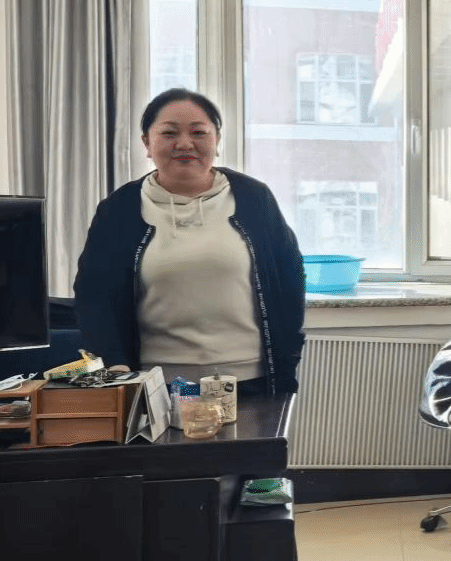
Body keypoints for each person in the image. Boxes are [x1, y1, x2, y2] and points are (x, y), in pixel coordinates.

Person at [74, 88, 306, 395]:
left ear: (216, 140)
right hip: (155, 386)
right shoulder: (119, 210)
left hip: (252, 380)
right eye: (169, 133)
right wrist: (115, 367)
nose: (185, 144)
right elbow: (94, 296)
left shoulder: (254, 198)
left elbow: (290, 276)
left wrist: (290, 351)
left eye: (198, 132)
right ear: (147, 143)